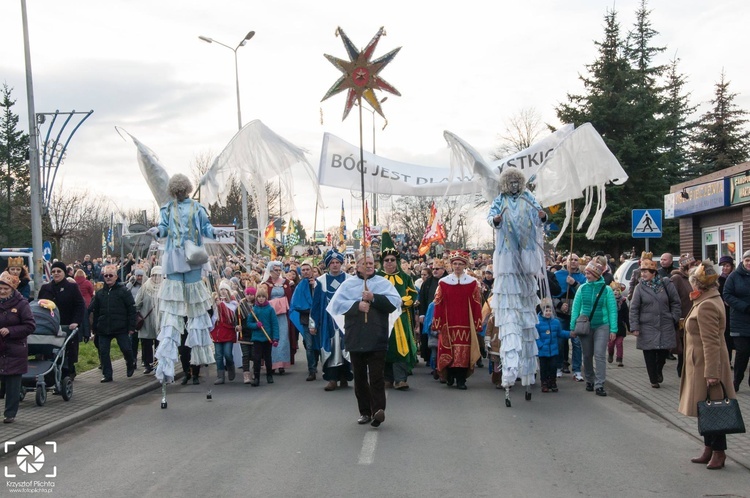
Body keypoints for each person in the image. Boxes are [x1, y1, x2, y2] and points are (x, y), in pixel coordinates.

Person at [148, 173, 215, 386]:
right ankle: (169, 357)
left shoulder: (197, 207)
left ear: (185, 189)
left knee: (196, 302)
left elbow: (206, 227)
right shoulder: (167, 208)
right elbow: (165, 228)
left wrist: (215, 231)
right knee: (173, 304)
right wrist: (158, 230)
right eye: (175, 191)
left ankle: (198, 359)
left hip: (193, 255)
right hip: (174, 256)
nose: (178, 194)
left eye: (181, 191)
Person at [487, 168, 546, 404]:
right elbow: (491, 217)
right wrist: (496, 220)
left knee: (526, 316)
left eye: (516, 182)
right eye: (509, 182)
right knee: (510, 317)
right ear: (504, 184)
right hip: (508, 254)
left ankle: (527, 372)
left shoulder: (527, 197)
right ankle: (509, 369)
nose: (513, 185)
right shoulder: (500, 200)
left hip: (526, 252)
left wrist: (542, 217)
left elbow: (538, 215)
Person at [328, 251, 400, 427]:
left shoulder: (383, 283)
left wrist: (373, 297)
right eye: (364, 263)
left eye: (371, 263)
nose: (368, 266)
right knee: (360, 377)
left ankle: (378, 411)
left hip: (377, 336)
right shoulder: (348, 285)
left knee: (376, 376)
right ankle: (365, 412)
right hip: (356, 336)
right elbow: (336, 306)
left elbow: (393, 304)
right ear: (357, 266)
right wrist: (356, 305)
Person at [678, 261, 735, 470]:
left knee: (715, 410)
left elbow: (712, 342)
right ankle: (708, 448)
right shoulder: (707, 299)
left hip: (706, 365)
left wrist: (712, 373)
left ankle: (719, 453)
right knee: (705, 408)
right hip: (699, 363)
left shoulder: (708, 304)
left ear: (698, 284)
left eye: (692, 282)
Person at [432, 250, 483, 391]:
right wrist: (438, 321)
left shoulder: (472, 283)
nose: (458, 266)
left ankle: (461, 379)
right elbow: (438, 303)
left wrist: (477, 322)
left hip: (465, 323)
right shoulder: (443, 283)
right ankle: (449, 376)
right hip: (448, 323)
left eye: (460, 264)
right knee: (449, 351)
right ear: (451, 265)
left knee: (463, 353)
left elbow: (476, 304)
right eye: (455, 264)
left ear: (465, 265)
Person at [630, 255, 681, 388]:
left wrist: (674, 317)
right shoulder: (639, 287)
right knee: (649, 353)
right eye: (642, 271)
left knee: (663, 351)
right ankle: (653, 379)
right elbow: (634, 308)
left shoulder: (665, 283)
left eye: (646, 272)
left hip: (665, 323)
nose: (643, 274)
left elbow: (675, 302)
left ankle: (659, 370)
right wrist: (634, 326)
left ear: (653, 273)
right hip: (646, 325)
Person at [570, 256, 618, 397]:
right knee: (587, 354)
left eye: (589, 273)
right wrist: (572, 327)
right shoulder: (582, 289)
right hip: (585, 326)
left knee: (599, 355)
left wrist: (613, 329)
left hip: (602, 325)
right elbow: (576, 308)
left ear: (596, 274)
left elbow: (612, 310)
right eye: (586, 273)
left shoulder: (607, 290)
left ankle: (600, 384)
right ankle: (589, 380)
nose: (586, 275)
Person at [377, 231, 418, 390]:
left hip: (400, 318)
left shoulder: (406, 277)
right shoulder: (376, 277)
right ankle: (387, 377)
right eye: (386, 260)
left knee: (400, 347)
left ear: (397, 261)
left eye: (392, 260)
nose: (389, 263)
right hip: (381, 319)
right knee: (384, 347)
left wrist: (404, 302)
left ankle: (400, 379)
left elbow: (413, 294)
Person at [310, 249, 354, 391]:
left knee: (344, 347)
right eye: (332, 263)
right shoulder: (321, 282)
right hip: (328, 322)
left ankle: (344, 377)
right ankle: (332, 378)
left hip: (345, 321)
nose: (335, 265)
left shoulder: (349, 279)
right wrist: (313, 323)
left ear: (341, 264)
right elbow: (315, 305)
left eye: (337, 262)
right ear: (328, 265)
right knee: (331, 348)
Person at [38, 261, 85, 380]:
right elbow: (39, 306)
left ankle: (67, 371)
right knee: (50, 351)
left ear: (64, 273)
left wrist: (76, 321)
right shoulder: (46, 288)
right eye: (53, 271)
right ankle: (50, 374)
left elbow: (79, 305)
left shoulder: (72, 287)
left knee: (67, 350)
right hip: (50, 325)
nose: (56, 273)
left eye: (59, 271)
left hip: (67, 324)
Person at [90, 264, 137, 382]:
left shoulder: (124, 291)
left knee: (126, 348)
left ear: (116, 277)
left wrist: (131, 326)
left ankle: (130, 362)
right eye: (105, 275)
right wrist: (94, 328)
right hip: (104, 327)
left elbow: (131, 309)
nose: (108, 277)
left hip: (120, 327)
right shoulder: (100, 294)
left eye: (111, 275)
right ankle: (107, 374)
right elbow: (95, 311)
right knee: (104, 352)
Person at [0, 272, 35, 423]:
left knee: (13, 383)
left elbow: (30, 326)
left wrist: (11, 331)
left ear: (13, 289)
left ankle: (10, 414)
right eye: (0, 288)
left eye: (5, 289)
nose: (2, 292)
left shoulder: (22, 304)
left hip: (15, 349)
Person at [554, 254, 587, 380]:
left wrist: (574, 284)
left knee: (577, 343)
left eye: (576, 260)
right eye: (571, 259)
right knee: (560, 341)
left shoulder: (582, 278)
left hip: (576, 314)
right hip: (561, 314)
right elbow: (551, 294)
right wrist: (560, 304)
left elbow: (584, 293)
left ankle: (577, 370)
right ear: (566, 261)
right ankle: (558, 367)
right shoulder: (557, 275)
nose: (573, 262)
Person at [723, 250, 750, 392]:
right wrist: (745, 307)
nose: (749, 263)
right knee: (742, 352)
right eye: (747, 260)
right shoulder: (734, 276)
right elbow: (727, 295)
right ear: (742, 261)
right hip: (739, 320)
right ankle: (736, 380)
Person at [261, 260, 294, 375]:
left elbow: (290, 297)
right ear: (270, 271)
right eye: (276, 270)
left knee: (283, 337)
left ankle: (282, 364)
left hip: (283, 315)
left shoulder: (286, 282)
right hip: (270, 315)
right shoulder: (265, 284)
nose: (278, 272)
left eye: (280, 270)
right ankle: (272, 363)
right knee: (271, 338)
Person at [290, 260, 320, 382]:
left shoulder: (318, 284)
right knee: (309, 346)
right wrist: (307, 309)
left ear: (312, 270)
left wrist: (315, 287)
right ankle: (311, 370)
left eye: (308, 269)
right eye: (303, 270)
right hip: (306, 319)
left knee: (317, 346)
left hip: (318, 319)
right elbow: (296, 304)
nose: (306, 272)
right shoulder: (299, 287)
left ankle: (316, 362)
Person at [670, 253, 699, 377]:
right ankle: (681, 368)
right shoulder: (677, 279)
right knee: (683, 344)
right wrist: (676, 315)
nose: (694, 266)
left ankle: (689, 368)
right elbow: (672, 298)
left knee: (692, 344)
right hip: (683, 317)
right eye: (691, 264)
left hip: (695, 315)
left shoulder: (696, 277)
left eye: (694, 264)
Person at [535, 298, 572, 393]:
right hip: (543, 350)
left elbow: (560, 333)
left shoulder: (556, 322)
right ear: (542, 311)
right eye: (546, 311)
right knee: (544, 368)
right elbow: (536, 336)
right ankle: (544, 383)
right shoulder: (538, 323)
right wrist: (540, 345)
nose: (548, 313)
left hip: (553, 350)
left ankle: (552, 381)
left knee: (553, 367)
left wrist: (569, 334)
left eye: (550, 311)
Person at [246, 286, 279, 386]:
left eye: (263, 297)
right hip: (257, 337)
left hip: (267, 337)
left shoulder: (270, 310)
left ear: (266, 298)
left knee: (268, 357)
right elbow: (248, 323)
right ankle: (256, 378)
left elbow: (275, 324)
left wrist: (276, 338)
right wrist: (256, 325)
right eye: (259, 297)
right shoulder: (253, 310)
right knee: (257, 358)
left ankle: (269, 374)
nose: (261, 298)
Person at [418, 260, 446, 365]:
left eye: (437, 269)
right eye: (433, 269)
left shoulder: (448, 281)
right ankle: (431, 360)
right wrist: (422, 314)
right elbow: (422, 299)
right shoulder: (427, 283)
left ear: (443, 270)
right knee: (431, 339)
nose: (434, 271)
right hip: (430, 315)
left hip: (444, 315)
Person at [210, 280, 238, 384]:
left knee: (227, 354)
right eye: (221, 289)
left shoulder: (232, 303)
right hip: (217, 332)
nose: (222, 291)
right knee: (218, 355)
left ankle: (230, 367)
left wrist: (220, 304)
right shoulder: (215, 302)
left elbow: (229, 315)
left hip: (228, 332)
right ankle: (220, 376)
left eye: (225, 289)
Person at [135, 265, 162, 374]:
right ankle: (148, 364)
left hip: (160, 321)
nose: (156, 278)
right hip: (146, 320)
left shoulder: (165, 287)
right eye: (154, 275)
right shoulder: (145, 287)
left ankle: (158, 363)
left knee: (159, 343)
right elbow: (137, 302)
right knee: (146, 343)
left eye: (159, 275)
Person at [718, 255, 735, 369]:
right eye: (723, 266)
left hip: (735, 310)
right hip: (724, 311)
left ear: (732, 266)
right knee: (726, 336)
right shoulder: (719, 280)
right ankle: (727, 360)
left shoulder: (735, 278)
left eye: (727, 266)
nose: (725, 268)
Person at [606, 282, 629, 367]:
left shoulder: (623, 302)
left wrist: (629, 326)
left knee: (619, 343)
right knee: (611, 344)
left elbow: (626, 315)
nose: (615, 292)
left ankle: (619, 359)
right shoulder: (608, 301)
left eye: (617, 290)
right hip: (611, 327)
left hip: (621, 326)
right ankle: (610, 354)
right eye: (613, 290)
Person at [126, 268, 146, 367]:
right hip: (133, 315)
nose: (139, 278)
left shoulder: (146, 286)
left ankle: (144, 359)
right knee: (133, 339)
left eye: (141, 276)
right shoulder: (130, 286)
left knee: (144, 339)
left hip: (144, 315)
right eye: (138, 275)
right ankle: (133, 359)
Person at [237, 287, 256, 384]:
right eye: (247, 294)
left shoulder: (257, 306)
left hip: (254, 334)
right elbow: (236, 319)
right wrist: (237, 327)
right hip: (243, 335)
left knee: (254, 355)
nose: (249, 296)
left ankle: (255, 372)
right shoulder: (240, 306)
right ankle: (246, 374)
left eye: (251, 294)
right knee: (245, 355)